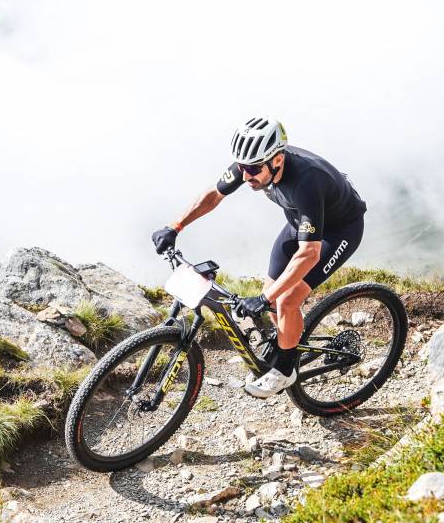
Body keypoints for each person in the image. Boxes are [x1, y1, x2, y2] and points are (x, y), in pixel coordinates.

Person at [151, 117, 367, 398]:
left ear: (277, 160)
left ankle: (287, 371)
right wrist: (174, 227)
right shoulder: (250, 163)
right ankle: (288, 342)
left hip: (338, 231)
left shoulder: (307, 181)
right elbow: (214, 195)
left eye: (253, 169)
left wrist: (265, 300)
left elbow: (309, 253)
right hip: (298, 223)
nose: (246, 174)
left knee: (285, 299)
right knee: (272, 296)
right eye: (242, 167)